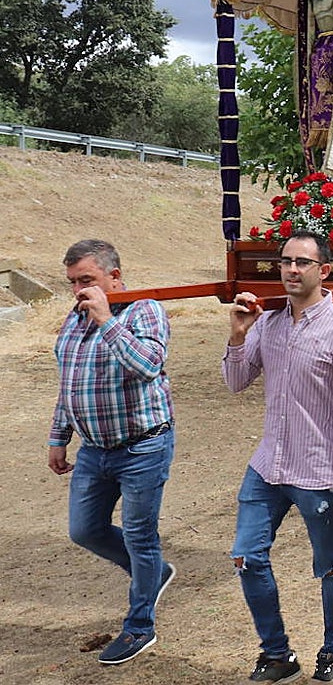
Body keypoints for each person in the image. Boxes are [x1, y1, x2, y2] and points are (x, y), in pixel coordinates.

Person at [223, 230, 333, 684]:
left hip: (320, 472)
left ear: (323, 271)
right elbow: (235, 382)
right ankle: (276, 655)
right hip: (268, 465)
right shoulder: (267, 323)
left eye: (302, 262)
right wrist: (237, 335)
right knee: (247, 557)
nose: (292, 269)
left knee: (330, 566)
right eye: (286, 261)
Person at [49, 239, 177, 666]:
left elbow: (146, 366)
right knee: (84, 530)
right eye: (72, 282)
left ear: (114, 277)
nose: (78, 290)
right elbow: (70, 382)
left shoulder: (144, 310)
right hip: (93, 449)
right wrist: (58, 436)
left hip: (142, 445)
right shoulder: (74, 316)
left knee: (141, 536)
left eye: (86, 280)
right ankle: (154, 573)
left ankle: (139, 627)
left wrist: (106, 319)